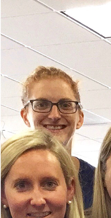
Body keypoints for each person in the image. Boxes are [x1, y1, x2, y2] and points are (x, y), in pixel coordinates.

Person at [20, 66, 96, 209]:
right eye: (42, 104)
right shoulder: (6, 177)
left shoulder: (99, 184)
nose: (54, 115)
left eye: (65, 105)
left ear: (79, 118)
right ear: (25, 116)